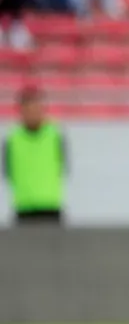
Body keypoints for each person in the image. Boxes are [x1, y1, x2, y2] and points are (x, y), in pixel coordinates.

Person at [3, 85, 68, 225]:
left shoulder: (55, 135)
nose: (33, 114)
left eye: (37, 108)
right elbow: (8, 172)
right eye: (28, 110)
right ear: (21, 111)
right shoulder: (13, 139)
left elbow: (64, 167)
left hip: (51, 208)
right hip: (23, 209)